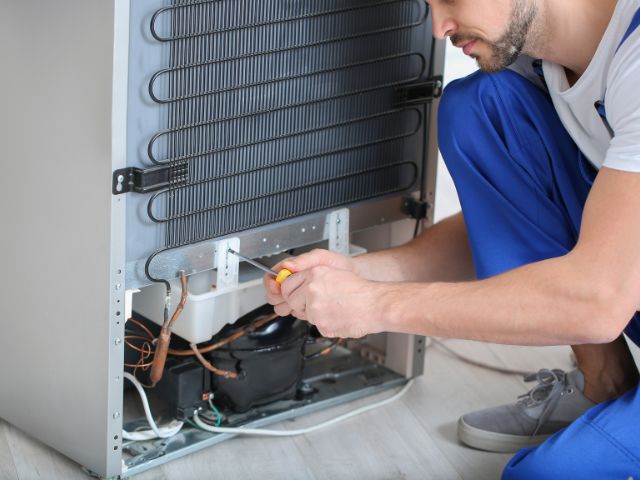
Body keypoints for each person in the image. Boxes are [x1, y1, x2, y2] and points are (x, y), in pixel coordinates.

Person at [264, 0, 640, 477]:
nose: (439, 27)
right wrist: (361, 274)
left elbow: (598, 303)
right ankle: (604, 382)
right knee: (481, 106)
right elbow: (512, 218)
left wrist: (375, 306)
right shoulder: (534, 62)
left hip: (609, 296)